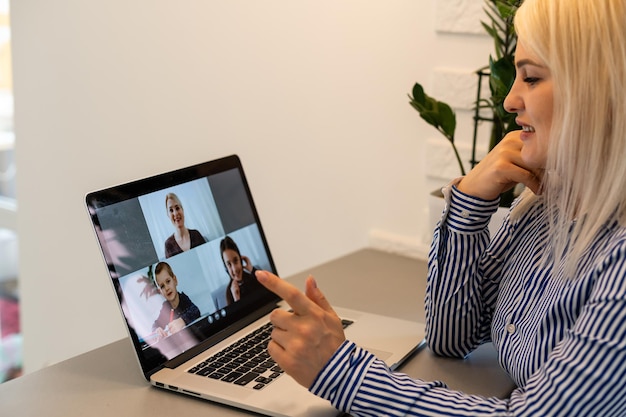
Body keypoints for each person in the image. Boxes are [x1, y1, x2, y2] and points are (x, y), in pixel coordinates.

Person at [255, 0, 626, 415]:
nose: (510, 101)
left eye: (532, 78)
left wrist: (340, 371)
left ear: (600, 89)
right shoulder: (548, 204)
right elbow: (452, 336)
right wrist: (471, 198)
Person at [152, 261, 200, 340]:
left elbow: (195, 311)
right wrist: (157, 330)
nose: (167, 288)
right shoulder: (165, 307)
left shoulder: (183, 299)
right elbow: (155, 324)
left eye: (168, 281)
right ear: (160, 292)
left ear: (175, 280)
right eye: (162, 286)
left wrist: (182, 320)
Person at [220, 236, 263, 305]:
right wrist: (236, 299)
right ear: (226, 268)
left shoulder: (253, 277)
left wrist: (252, 270)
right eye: (229, 264)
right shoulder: (229, 292)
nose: (234, 269)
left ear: (240, 260)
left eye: (235, 260)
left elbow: (269, 295)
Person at [163, 192, 206, 258]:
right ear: (168, 215)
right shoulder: (168, 245)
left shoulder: (196, 234)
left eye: (177, 208)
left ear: (182, 210)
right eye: (171, 210)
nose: (175, 213)